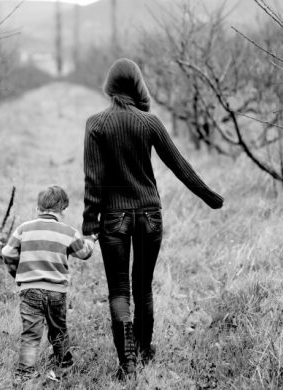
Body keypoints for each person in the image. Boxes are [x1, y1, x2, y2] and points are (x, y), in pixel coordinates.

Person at [82, 58, 224, 379]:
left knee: (119, 291)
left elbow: (94, 181)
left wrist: (90, 227)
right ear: (136, 85)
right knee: (142, 287)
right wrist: (211, 197)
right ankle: (144, 350)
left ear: (110, 86)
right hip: (149, 216)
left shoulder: (96, 124)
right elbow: (180, 166)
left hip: (114, 220)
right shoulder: (150, 123)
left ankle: (127, 362)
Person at [1, 185, 96, 382]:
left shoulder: (23, 229)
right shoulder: (68, 232)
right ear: (64, 210)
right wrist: (91, 240)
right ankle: (64, 365)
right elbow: (84, 253)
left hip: (29, 290)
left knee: (31, 333)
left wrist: (17, 274)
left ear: (38, 209)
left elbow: (7, 253)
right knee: (58, 329)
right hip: (56, 291)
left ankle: (25, 373)